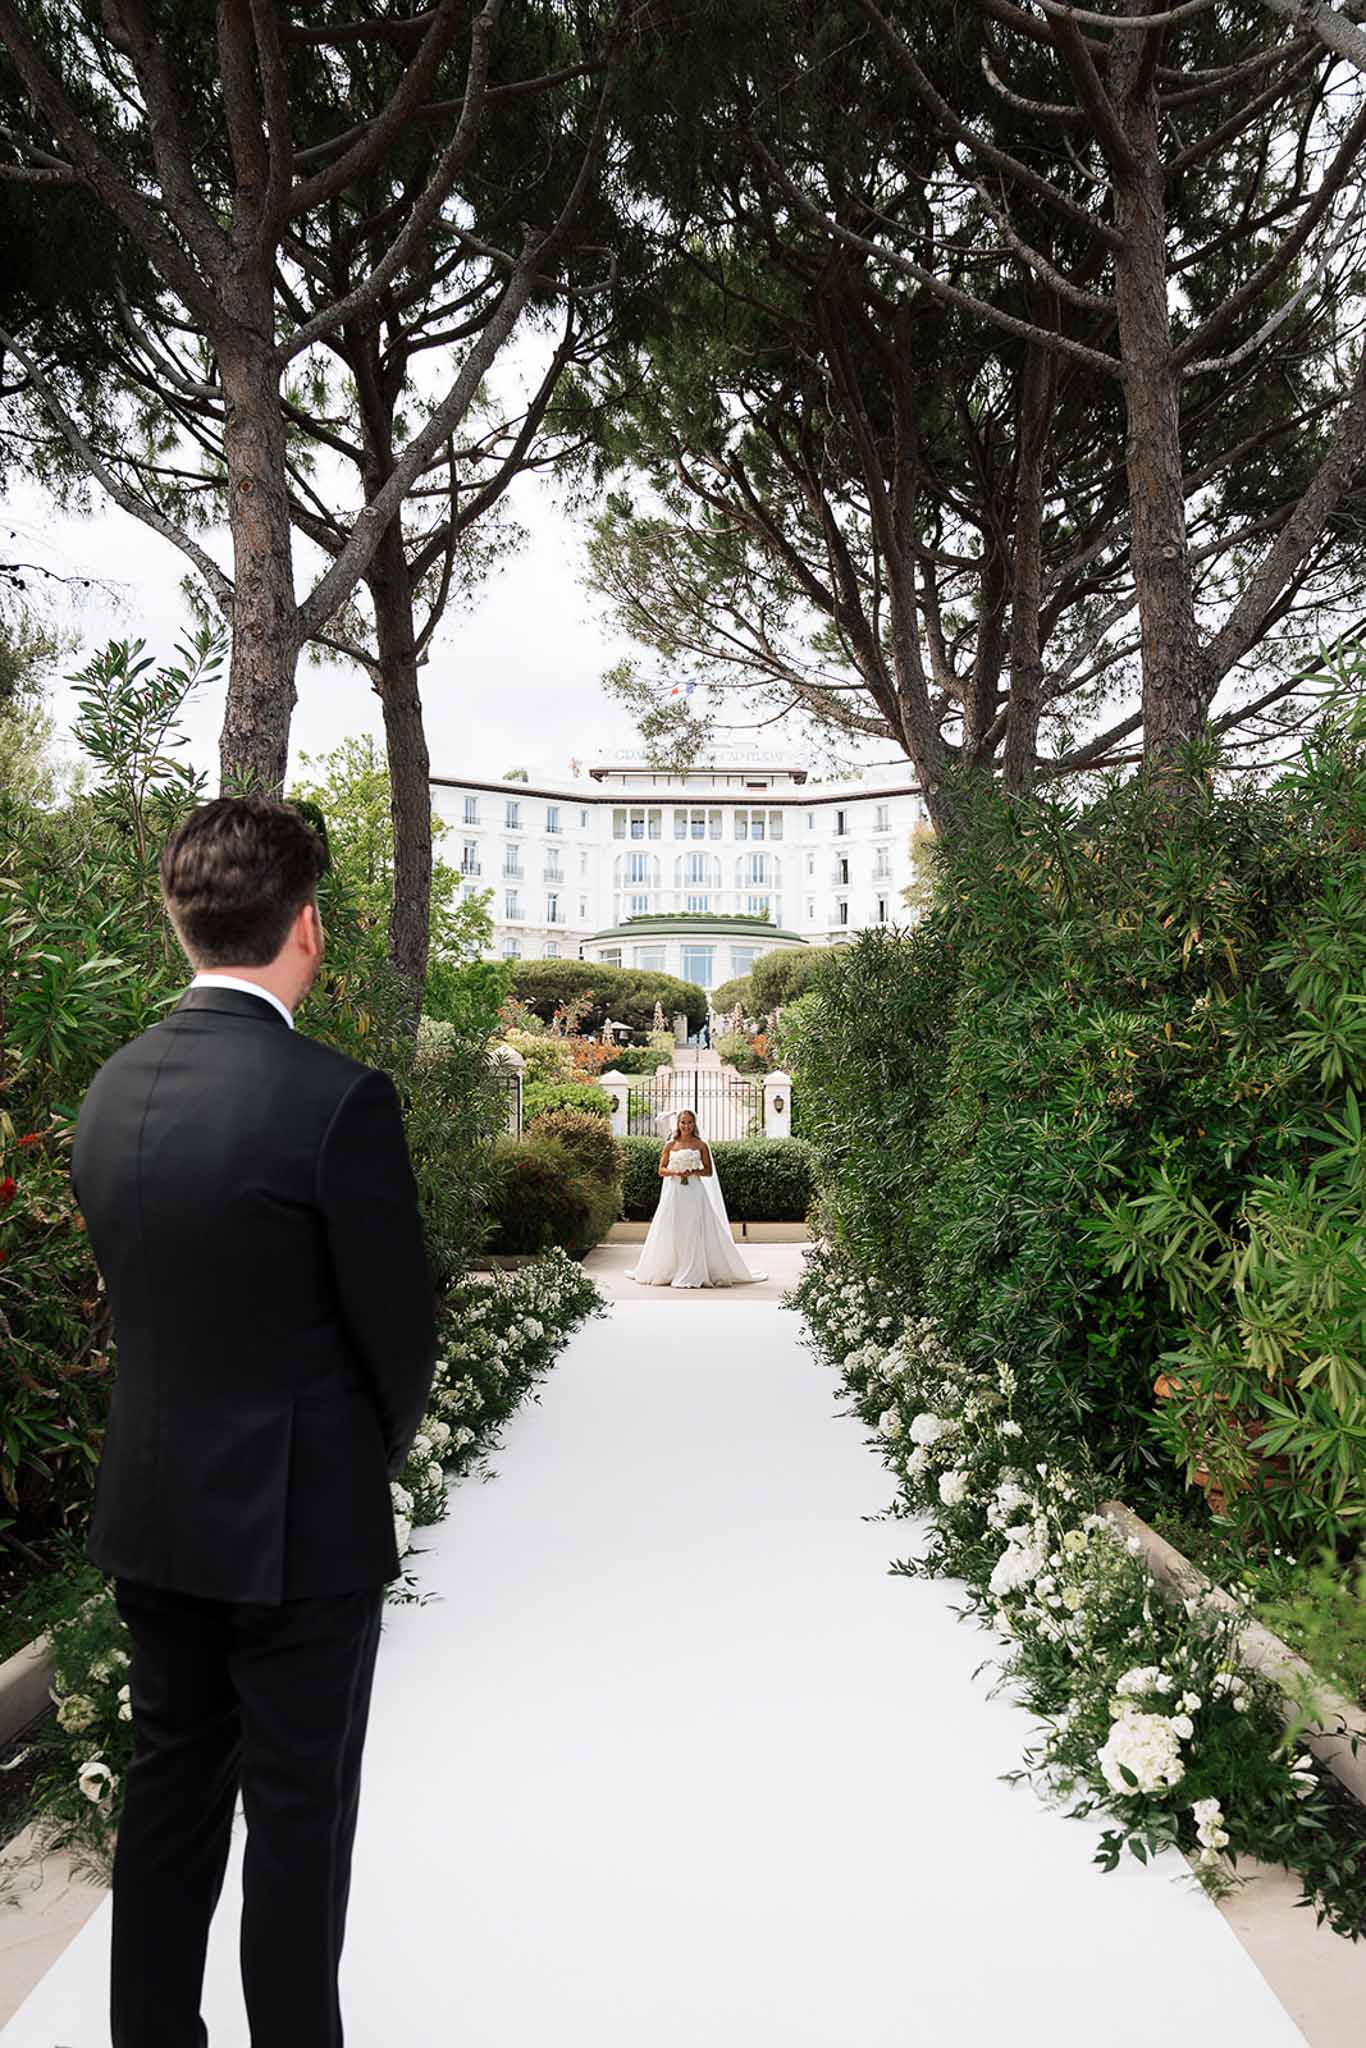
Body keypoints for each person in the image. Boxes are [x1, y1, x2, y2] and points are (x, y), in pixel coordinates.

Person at [71, 795, 438, 2048]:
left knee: (169, 1800)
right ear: (308, 928)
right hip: (301, 1531)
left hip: (153, 1511)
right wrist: (355, 1457)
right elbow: (401, 1338)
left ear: (182, 920)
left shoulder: (109, 1089)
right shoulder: (337, 1098)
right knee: (297, 1817)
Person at [627, 1109, 765, 1288]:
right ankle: (671, 1268)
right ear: (678, 1124)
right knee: (673, 1227)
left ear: (694, 1124)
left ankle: (695, 1269)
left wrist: (693, 1171)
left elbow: (708, 1171)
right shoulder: (670, 1145)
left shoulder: (700, 1145)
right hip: (675, 1192)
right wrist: (676, 1172)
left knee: (694, 1228)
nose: (686, 1126)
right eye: (683, 1122)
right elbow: (661, 1170)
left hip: (694, 1191)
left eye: (689, 1122)